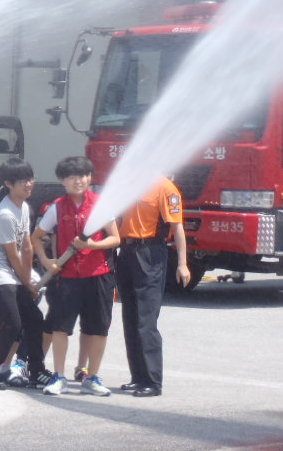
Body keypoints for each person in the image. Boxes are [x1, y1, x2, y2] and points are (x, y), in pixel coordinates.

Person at [32, 156, 120, 398]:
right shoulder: (57, 207)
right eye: (71, 177)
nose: (78, 181)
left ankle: (92, 377)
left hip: (99, 275)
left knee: (99, 328)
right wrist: (47, 262)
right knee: (60, 327)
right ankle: (59, 376)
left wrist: (92, 245)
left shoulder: (101, 205)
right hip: (68, 276)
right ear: (62, 181)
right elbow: (36, 237)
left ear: (90, 178)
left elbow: (116, 238)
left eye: (82, 176)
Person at [0, 158, 54, 391]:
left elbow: (26, 247)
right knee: (10, 325)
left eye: (30, 178)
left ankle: (36, 371)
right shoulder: (5, 214)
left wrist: (28, 281)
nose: (28, 184)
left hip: (11, 273)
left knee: (34, 319)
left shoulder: (24, 208)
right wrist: (27, 283)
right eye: (22, 181)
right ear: (8, 184)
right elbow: (12, 255)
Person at [116, 178, 189, 398]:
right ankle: (137, 377)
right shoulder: (128, 183)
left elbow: (177, 227)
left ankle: (152, 381)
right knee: (130, 316)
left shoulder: (165, 187)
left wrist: (182, 264)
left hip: (150, 252)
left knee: (145, 319)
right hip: (127, 250)